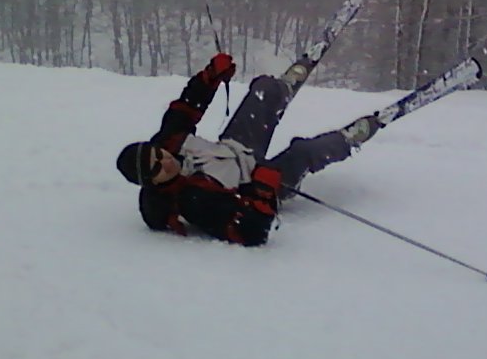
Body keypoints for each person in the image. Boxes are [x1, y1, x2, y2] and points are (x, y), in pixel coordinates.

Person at [116, 52, 382, 247]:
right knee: (303, 152)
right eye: (157, 168)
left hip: (236, 147)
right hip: (258, 180)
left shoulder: (168, 142)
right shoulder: (192, 200)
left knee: (262, 90)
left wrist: (211, 76)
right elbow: (249, 232)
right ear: (151, 183)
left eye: (159, 155)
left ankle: (281, 89)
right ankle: (348, 139)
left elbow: (188, 105)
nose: (166, 161)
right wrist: (264, 190)